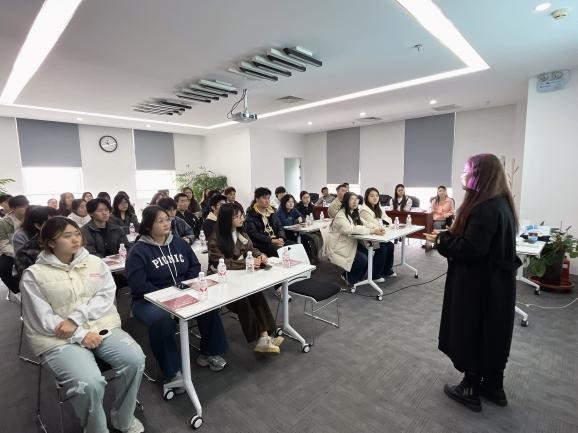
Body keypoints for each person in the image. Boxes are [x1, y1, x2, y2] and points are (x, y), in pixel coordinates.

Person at [20, 217, 145, 433]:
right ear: (51, 242)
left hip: (100, 325)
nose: (75, 239)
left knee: (135, 360)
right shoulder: (34, 275)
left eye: (77, 234)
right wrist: (79, 335)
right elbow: (41, 318)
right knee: (89, 383)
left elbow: (105, 296)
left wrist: (76, 319)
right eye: (67, 236)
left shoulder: (95, 263)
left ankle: (123, 418)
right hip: (57, 339)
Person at [423, 154, 520, 412]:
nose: (463, 176)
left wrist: (442, 241)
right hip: (496, 284)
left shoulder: (484, 208)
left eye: (468, 171)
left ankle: (471, 387)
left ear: (482, 175)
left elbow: (472, 249)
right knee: (492, 331)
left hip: (478, 286)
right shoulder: (502, 203)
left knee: (472, 329)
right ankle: (493, 386)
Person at [126, 206, 228, 388]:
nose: (166, 223)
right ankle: (171, 372)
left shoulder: (179, 243)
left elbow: (194, 266)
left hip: (182, 290)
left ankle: (210, 352)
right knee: (161, 319)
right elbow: (138, 284)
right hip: (148, 299)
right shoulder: (138, 251)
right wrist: (167, 296)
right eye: (160, 221)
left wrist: (187, 286)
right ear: (148, 226)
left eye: (167, 219)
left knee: (208, 305)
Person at [208, 203, 282, 354]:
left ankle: (266, 336)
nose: (242, 218)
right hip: (223, 282)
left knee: (257, 294)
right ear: (226, 219)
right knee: (244, 299)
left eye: (241, 215)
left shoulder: (241, 231)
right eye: (237, 216)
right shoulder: (215, 238)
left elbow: (252, 249)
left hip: (240, 277)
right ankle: (262, 337)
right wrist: (247, 262)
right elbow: (222, 263)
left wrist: (260, 255)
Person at [327, 192, 385, 284]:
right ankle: (348, 280)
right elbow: (350, 229)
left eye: (356, 199)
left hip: (350, 242)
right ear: (346, 201)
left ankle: (358, 277)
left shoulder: (353, 212)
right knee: (362, 259)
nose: (355, 202)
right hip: (340, 245)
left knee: (368, 253)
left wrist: (377, 227)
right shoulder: (340, 215)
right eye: (352, 199)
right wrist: (372, 231)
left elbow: (364, 223)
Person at [359, 188, 396, 280]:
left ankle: (387, 270)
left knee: (390, 245)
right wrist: (382, 222)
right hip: (367, 237)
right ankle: (375, 274)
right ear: (366, 197)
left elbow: (389, 220)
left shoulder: (378, 207)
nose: (375, 198)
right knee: (382, 247)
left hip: (378, 235)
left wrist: (381, 222)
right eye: (372, 196)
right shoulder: (364, 210)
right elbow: (375, 224)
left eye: (376, 196)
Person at [245, 187, 291, 258]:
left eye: (268, 198)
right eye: (264, 198)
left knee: (297, 246)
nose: (267, 201)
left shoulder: (272, 211)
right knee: (282, 252)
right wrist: (271, 240)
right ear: (257, 199)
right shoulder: (251, 214)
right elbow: (253, 234)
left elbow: (279, 227)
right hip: (262, 243)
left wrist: (281, 237)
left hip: (276, 239)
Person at [0, 195, 29, 293]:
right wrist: (19, 254)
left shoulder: (31, 218)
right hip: (12, 252)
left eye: (27, 205)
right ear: (13, 208)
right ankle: (17, 291)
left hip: (31, 249)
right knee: (3, 269)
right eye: (22, 206)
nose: (26, 208)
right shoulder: (3, 223)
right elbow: (4, 245)